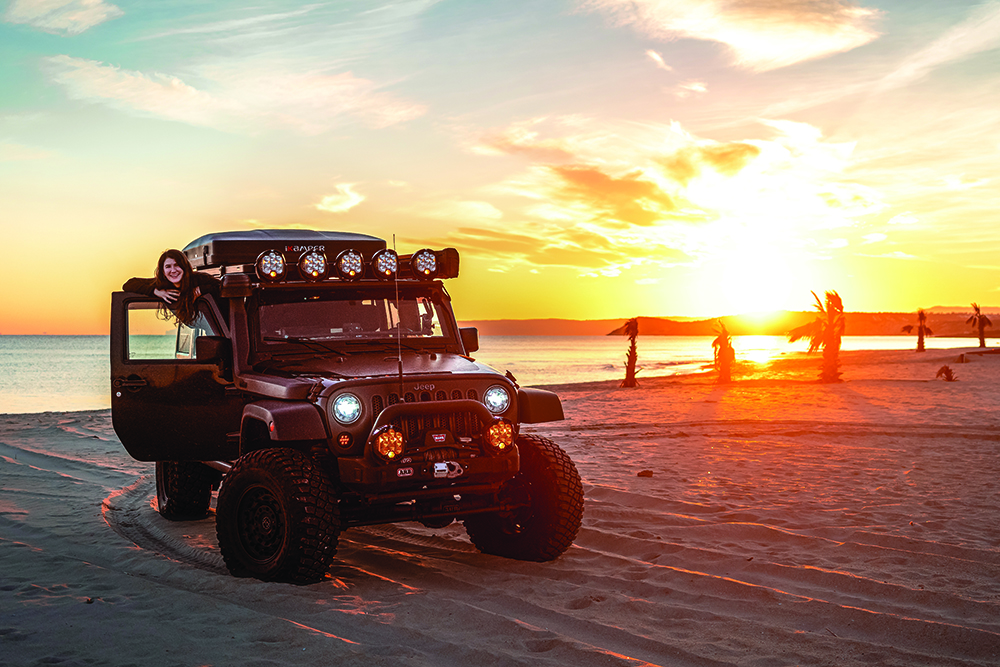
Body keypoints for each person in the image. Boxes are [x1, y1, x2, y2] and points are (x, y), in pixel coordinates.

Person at [123, 249, 221, 326]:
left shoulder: (199, 279)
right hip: (196, 324)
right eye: (168, 266)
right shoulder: (161, 285)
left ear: (184, 267)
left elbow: (223, 287)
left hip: (219, 323)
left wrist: (200, 290)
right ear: (163, 272)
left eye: (177, 265)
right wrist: (155, 292)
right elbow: (128, 284)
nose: (173, 270)